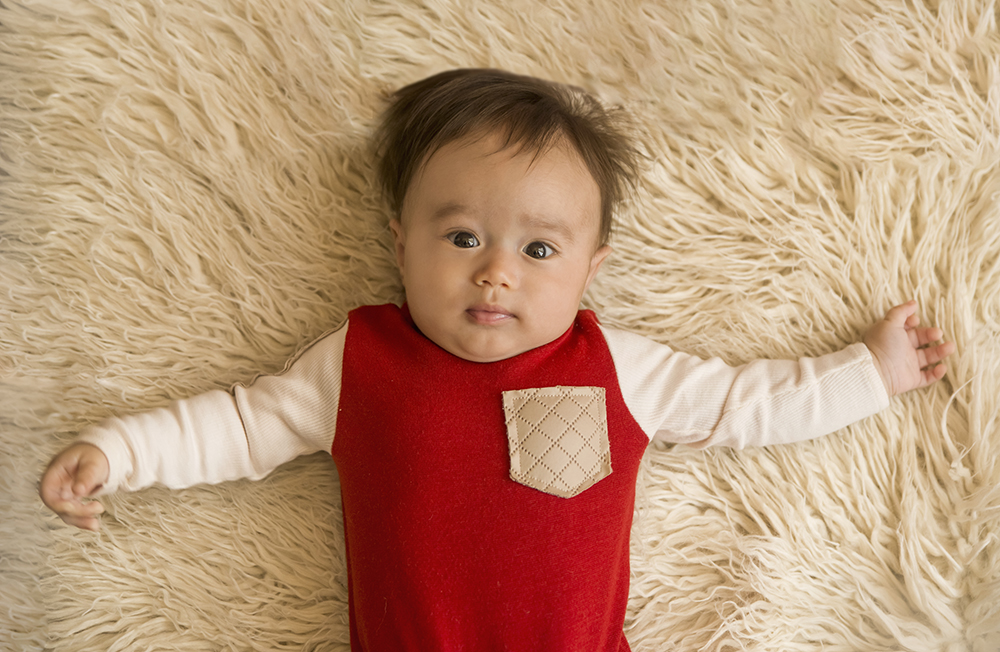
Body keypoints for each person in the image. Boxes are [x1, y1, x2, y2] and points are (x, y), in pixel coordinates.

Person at [39, 69, 956, 651]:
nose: (496, 273)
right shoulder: (360, 363)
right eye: (464, 235)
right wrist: (120, 454)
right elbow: (238, 424)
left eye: (540, 251)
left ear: (592, 270)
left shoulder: (615, 367)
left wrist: (869, 373)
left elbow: (743, 405)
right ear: (400, 245)